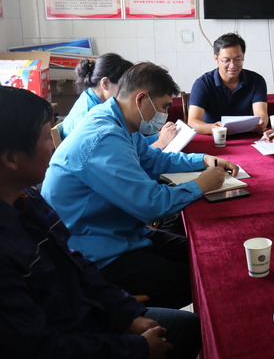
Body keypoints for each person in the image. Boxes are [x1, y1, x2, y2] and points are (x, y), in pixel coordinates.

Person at [0, 86, 201, 358]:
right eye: (47, 138)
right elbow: (39, 347)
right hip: (73, 331)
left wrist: (129, 315)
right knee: (189, 315)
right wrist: (138, 348)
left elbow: (77, 265)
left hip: (87, 306)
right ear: (12, 158)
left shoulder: (28, 200)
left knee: (199, 265)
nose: (54, 148)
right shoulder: (6, 247)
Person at [42, 62, 239, 309]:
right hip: (93, 254)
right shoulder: (104, 137)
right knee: (203, 277)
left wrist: (202, 160)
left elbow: (152, 159)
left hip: (120, 232)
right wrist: (201, 185)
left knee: (208, 255)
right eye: (164, 106)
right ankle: (157, 324)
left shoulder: (118, 121)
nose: (165, 114)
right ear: (142, 99)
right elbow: (151, 206)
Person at [62, 53, 177, 149]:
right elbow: (126, 155)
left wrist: (158, 137)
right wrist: (161, 143)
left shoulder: (94, 100)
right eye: (124, 86)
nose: (128, 92)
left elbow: (132, 145)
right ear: (105, 83)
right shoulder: (93, 120)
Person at [188, 33, 268, 135]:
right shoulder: (203, 83)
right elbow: (193, 121)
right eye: (226, 60)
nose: (232, 65)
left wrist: (261, 123)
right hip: (214, 137)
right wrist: (214, 128)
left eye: (238, 59)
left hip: (246, 136)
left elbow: (261, 114)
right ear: (216, 59)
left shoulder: (256, 80)